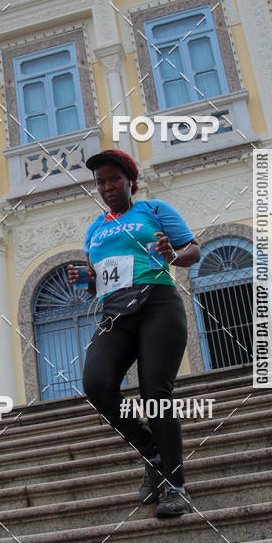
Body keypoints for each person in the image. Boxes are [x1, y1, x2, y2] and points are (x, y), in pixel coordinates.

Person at [68, 149, 201, 518]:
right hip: (115, 313)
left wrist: (171, 255)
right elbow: (98, 283)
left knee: (155, 392)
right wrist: (86, 280)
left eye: (114, 179)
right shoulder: (94, 230)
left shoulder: (154, 210)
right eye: (100, 182)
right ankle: (153, 453)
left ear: (130, 181)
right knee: (96, 383)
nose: (107, 187)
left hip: (157, 304)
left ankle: (176, 487)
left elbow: (192, 250)